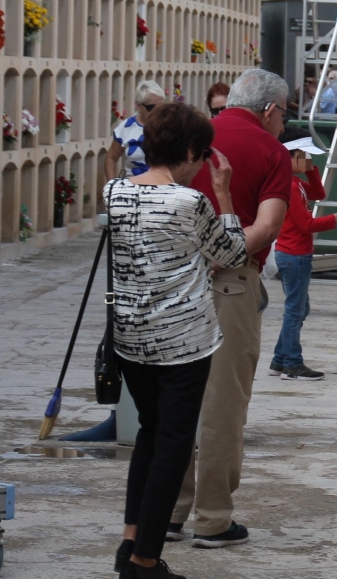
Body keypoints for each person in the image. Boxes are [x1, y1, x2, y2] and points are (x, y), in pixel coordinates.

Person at [106, 102, 249, 579]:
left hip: (131, 339)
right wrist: (224, 194)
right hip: (184, 342)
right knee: (173, 444)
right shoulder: (191, 202)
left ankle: (131, 542)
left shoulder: (115, 193)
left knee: (149, 434)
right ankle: (145, 561)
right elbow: (231, 253)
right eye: (201, 153)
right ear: (190, 151)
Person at [169, 69, 292, 548]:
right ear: (269, 110)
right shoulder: (271, 151)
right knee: (222, 404)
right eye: (284, 113)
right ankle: (213, 518)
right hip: (230, 284)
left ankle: (172, 511)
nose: (283, 123)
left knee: (177, 398)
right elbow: (267, 228)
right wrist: (225, 255)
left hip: (176, 277)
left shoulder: (193, 138)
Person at [268, 127, 337, 381]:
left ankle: (279, 359)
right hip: (294, 254)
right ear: (290, 156)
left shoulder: (296, 182)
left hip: (296, 253)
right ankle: (292, 364)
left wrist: (310, 169)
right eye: (304, 156)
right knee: (296, 310)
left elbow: (319, 194)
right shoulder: (289, 185)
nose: (309, 160)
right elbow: (307, 225)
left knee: (298, 309)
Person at [105, 81, 166, 181]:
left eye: (160, 107)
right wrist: (111, 187)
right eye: (151, 107)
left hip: (163, 188)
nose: (156, 111)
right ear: (138, 105)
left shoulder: (170, 125)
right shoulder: (126, 127)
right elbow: (111, 158)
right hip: (133, 188)